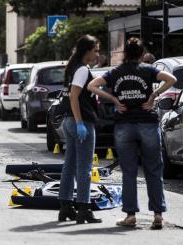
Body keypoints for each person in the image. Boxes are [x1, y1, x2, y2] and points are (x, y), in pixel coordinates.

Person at [88, 37, 176, 229]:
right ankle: (158, 215)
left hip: (124, 125)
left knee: (129, 171)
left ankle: (130, 216)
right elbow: (172, 79)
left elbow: (92, 85)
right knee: (153, 170)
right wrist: (153, 96)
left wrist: (113, 99)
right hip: (148, 124)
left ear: (125, 53)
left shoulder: (115, 72)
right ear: (142, 53)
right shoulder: (148, 69)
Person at [58, 35, 102, 224]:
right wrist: (80, 123)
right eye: (96, 50)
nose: (98, 53)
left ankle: (65, 207)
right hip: (79, 122)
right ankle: (84, 209)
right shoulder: (83, 70)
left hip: (69, 121)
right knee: (84, 168)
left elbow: (72, 95)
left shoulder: (73, 68)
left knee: (69, 166)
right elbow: (74, 96)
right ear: (87, 51)